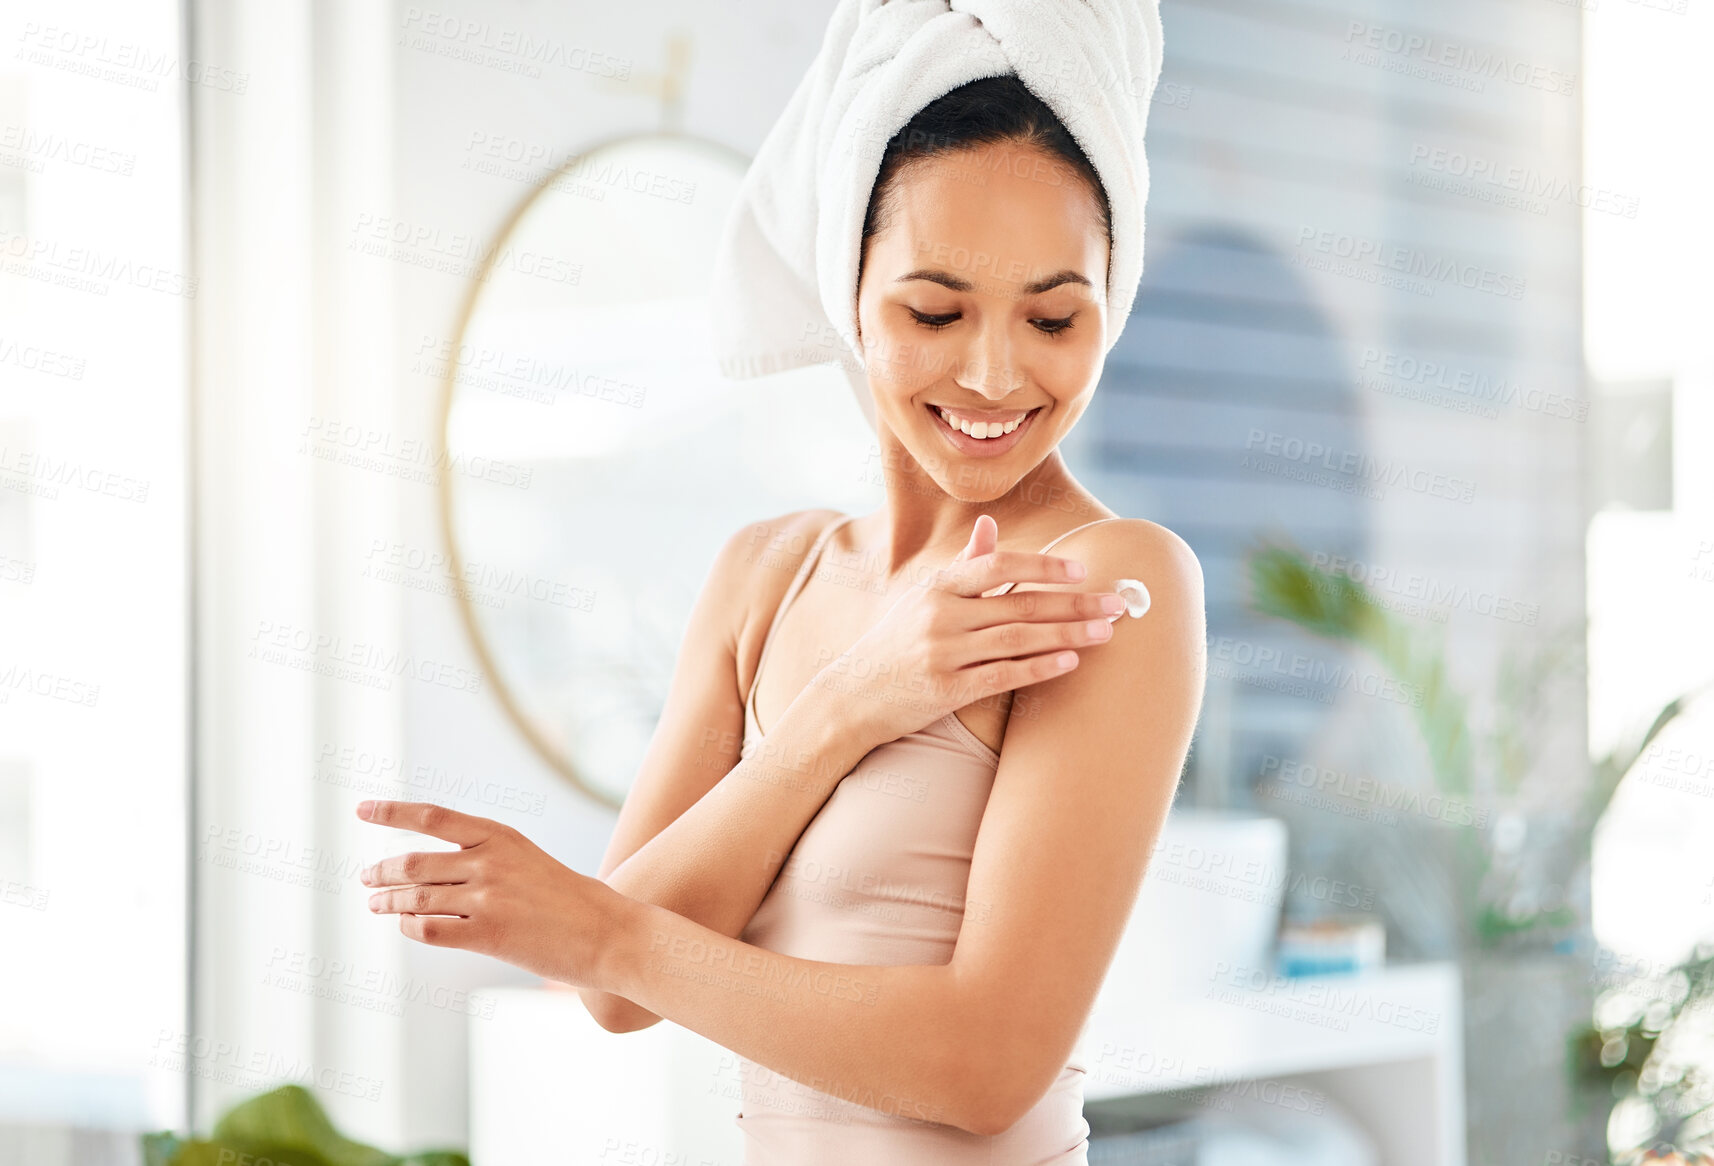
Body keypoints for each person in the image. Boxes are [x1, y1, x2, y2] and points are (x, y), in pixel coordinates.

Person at [357, 73, 1205, 1163]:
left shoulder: (1108, 579)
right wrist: (846, 707)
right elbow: (614, 996)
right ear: (845, 289)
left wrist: (609, 932)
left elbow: (986, 1065)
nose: (995, 371)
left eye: (1053, 316)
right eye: (934, 310)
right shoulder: (766, 575)